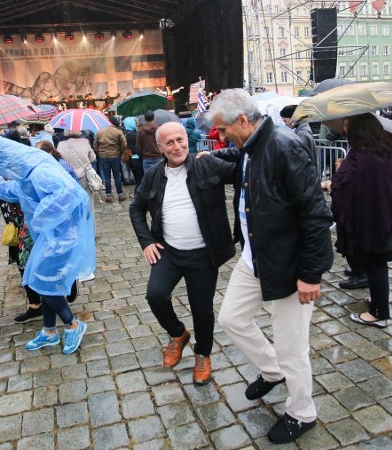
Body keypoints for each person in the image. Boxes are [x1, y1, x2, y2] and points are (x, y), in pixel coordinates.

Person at [207, 89, 333, 445]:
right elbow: (240, 158)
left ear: (243, 121)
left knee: (293, 346)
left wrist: (311, 274)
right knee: (232, 318)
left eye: (223, 129)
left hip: (290, 265)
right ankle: (271, 369)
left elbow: (314, 214)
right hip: (256, 256)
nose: (220, 135)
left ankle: (302, 412)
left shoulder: (284, 146)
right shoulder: (253, 144)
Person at [130, 122, 236, 384]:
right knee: (155, 295)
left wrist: (220, 154)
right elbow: (136, 208)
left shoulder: (206, 164)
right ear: (159, 147)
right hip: (170, 251)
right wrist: (146, 242)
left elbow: (244, 169)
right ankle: (178, 334)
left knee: (201, 309)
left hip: (203, 253)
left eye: (180, 139)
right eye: (169, 142)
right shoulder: (154, 175)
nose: (176, 146)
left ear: (187, 139)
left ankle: (203, 354)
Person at [0, 134, 94, 355]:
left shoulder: (40, 172)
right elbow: (9, 192)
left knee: (41, 282)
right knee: (42, 282)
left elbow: (68, 194)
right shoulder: (24, 176)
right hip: (48, 237)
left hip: (62, 237)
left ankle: (72, 324)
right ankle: (49, 331)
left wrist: (41, 217)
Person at [325, 114, 392, 328]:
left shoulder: (359, 157)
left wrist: (339, 173)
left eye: (347, 125)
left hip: (374, 224)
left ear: (359, 130)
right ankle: (377, 301)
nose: (344, 129)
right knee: (377, 264)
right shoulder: (388, 150)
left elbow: (344, 189)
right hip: (391, 217)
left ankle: (379, 313)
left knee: (376, 264)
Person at [57, 130, 97, 214]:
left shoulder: (61, 144)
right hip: (84, 174)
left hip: (69, 175)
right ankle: (90, 223)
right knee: (88, 199)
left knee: (72, 201)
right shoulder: (85, 142)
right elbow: (93, 158)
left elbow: (59, 159)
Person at [94, 116, 128, 202]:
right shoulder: (118, 132)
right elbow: (124, 144)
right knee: (117, 175)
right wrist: (120, 152)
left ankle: (108, 195)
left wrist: (99, 152)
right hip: (115, 156)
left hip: (103, 156)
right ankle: (120, 194)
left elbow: (95, 145)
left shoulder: (99, 132)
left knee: (107, 176)